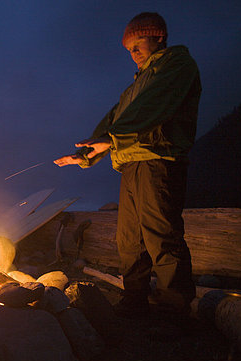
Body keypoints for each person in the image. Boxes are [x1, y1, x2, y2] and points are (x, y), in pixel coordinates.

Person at [55, 12, 201, 317]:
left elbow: (153, 108)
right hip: (131, 163)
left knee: (161, 235)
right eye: (129, 50)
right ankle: (134, 300)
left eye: (138, 45)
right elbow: (114, 120)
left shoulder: (176, 65)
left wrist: (111, 138)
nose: (133, 54)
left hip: (158, 160)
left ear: (158, 37)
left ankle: (174, 310)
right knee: (129, 239)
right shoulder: (135, 85)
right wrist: (86, 153)